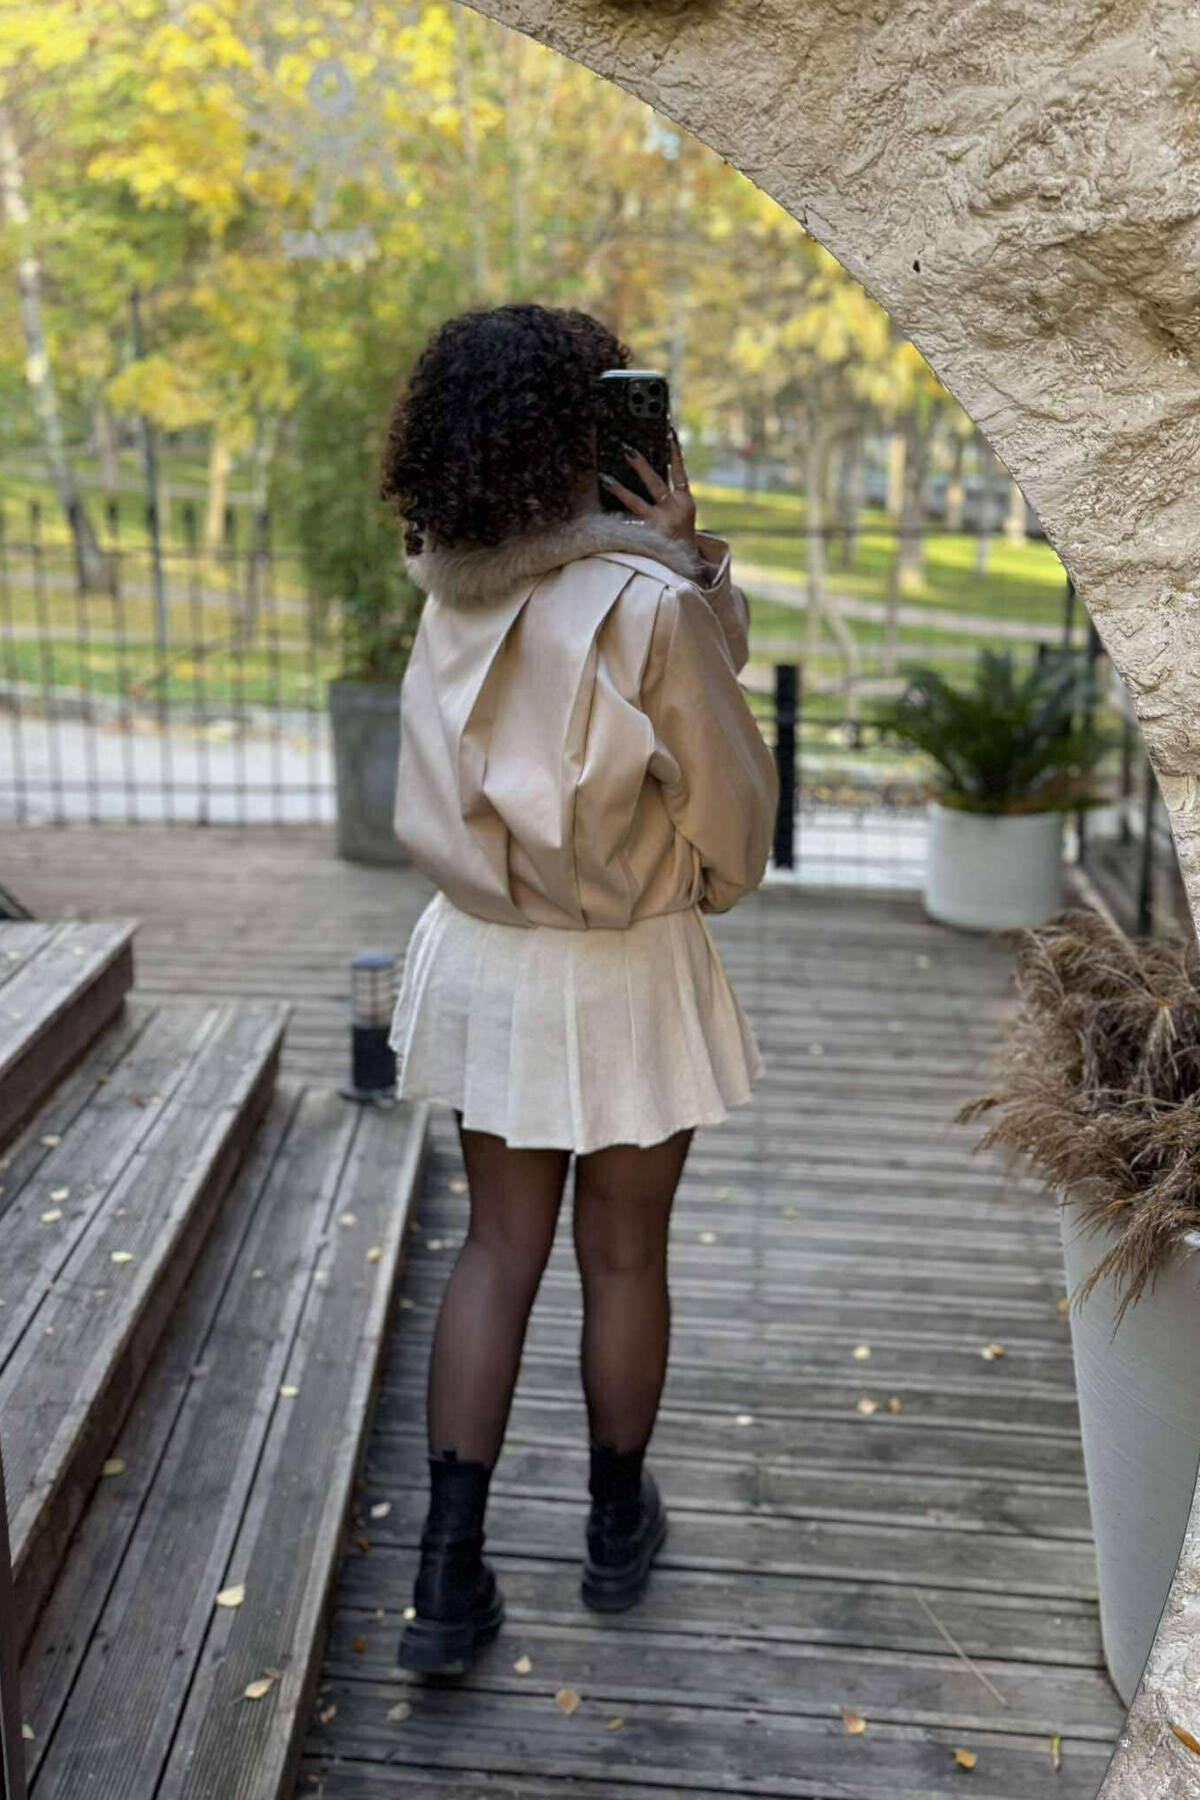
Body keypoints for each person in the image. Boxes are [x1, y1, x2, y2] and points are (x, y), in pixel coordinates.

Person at [379, 302, 779, 1676]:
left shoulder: (445, 585)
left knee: (496, 1249)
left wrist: (686, 565)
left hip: (487, 955)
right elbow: (735, 823)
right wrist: (687, 566)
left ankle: (446, 1583)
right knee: (624, 1255)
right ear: (591, 436)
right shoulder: (650, 606)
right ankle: (614, 1533)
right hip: (625, 964)